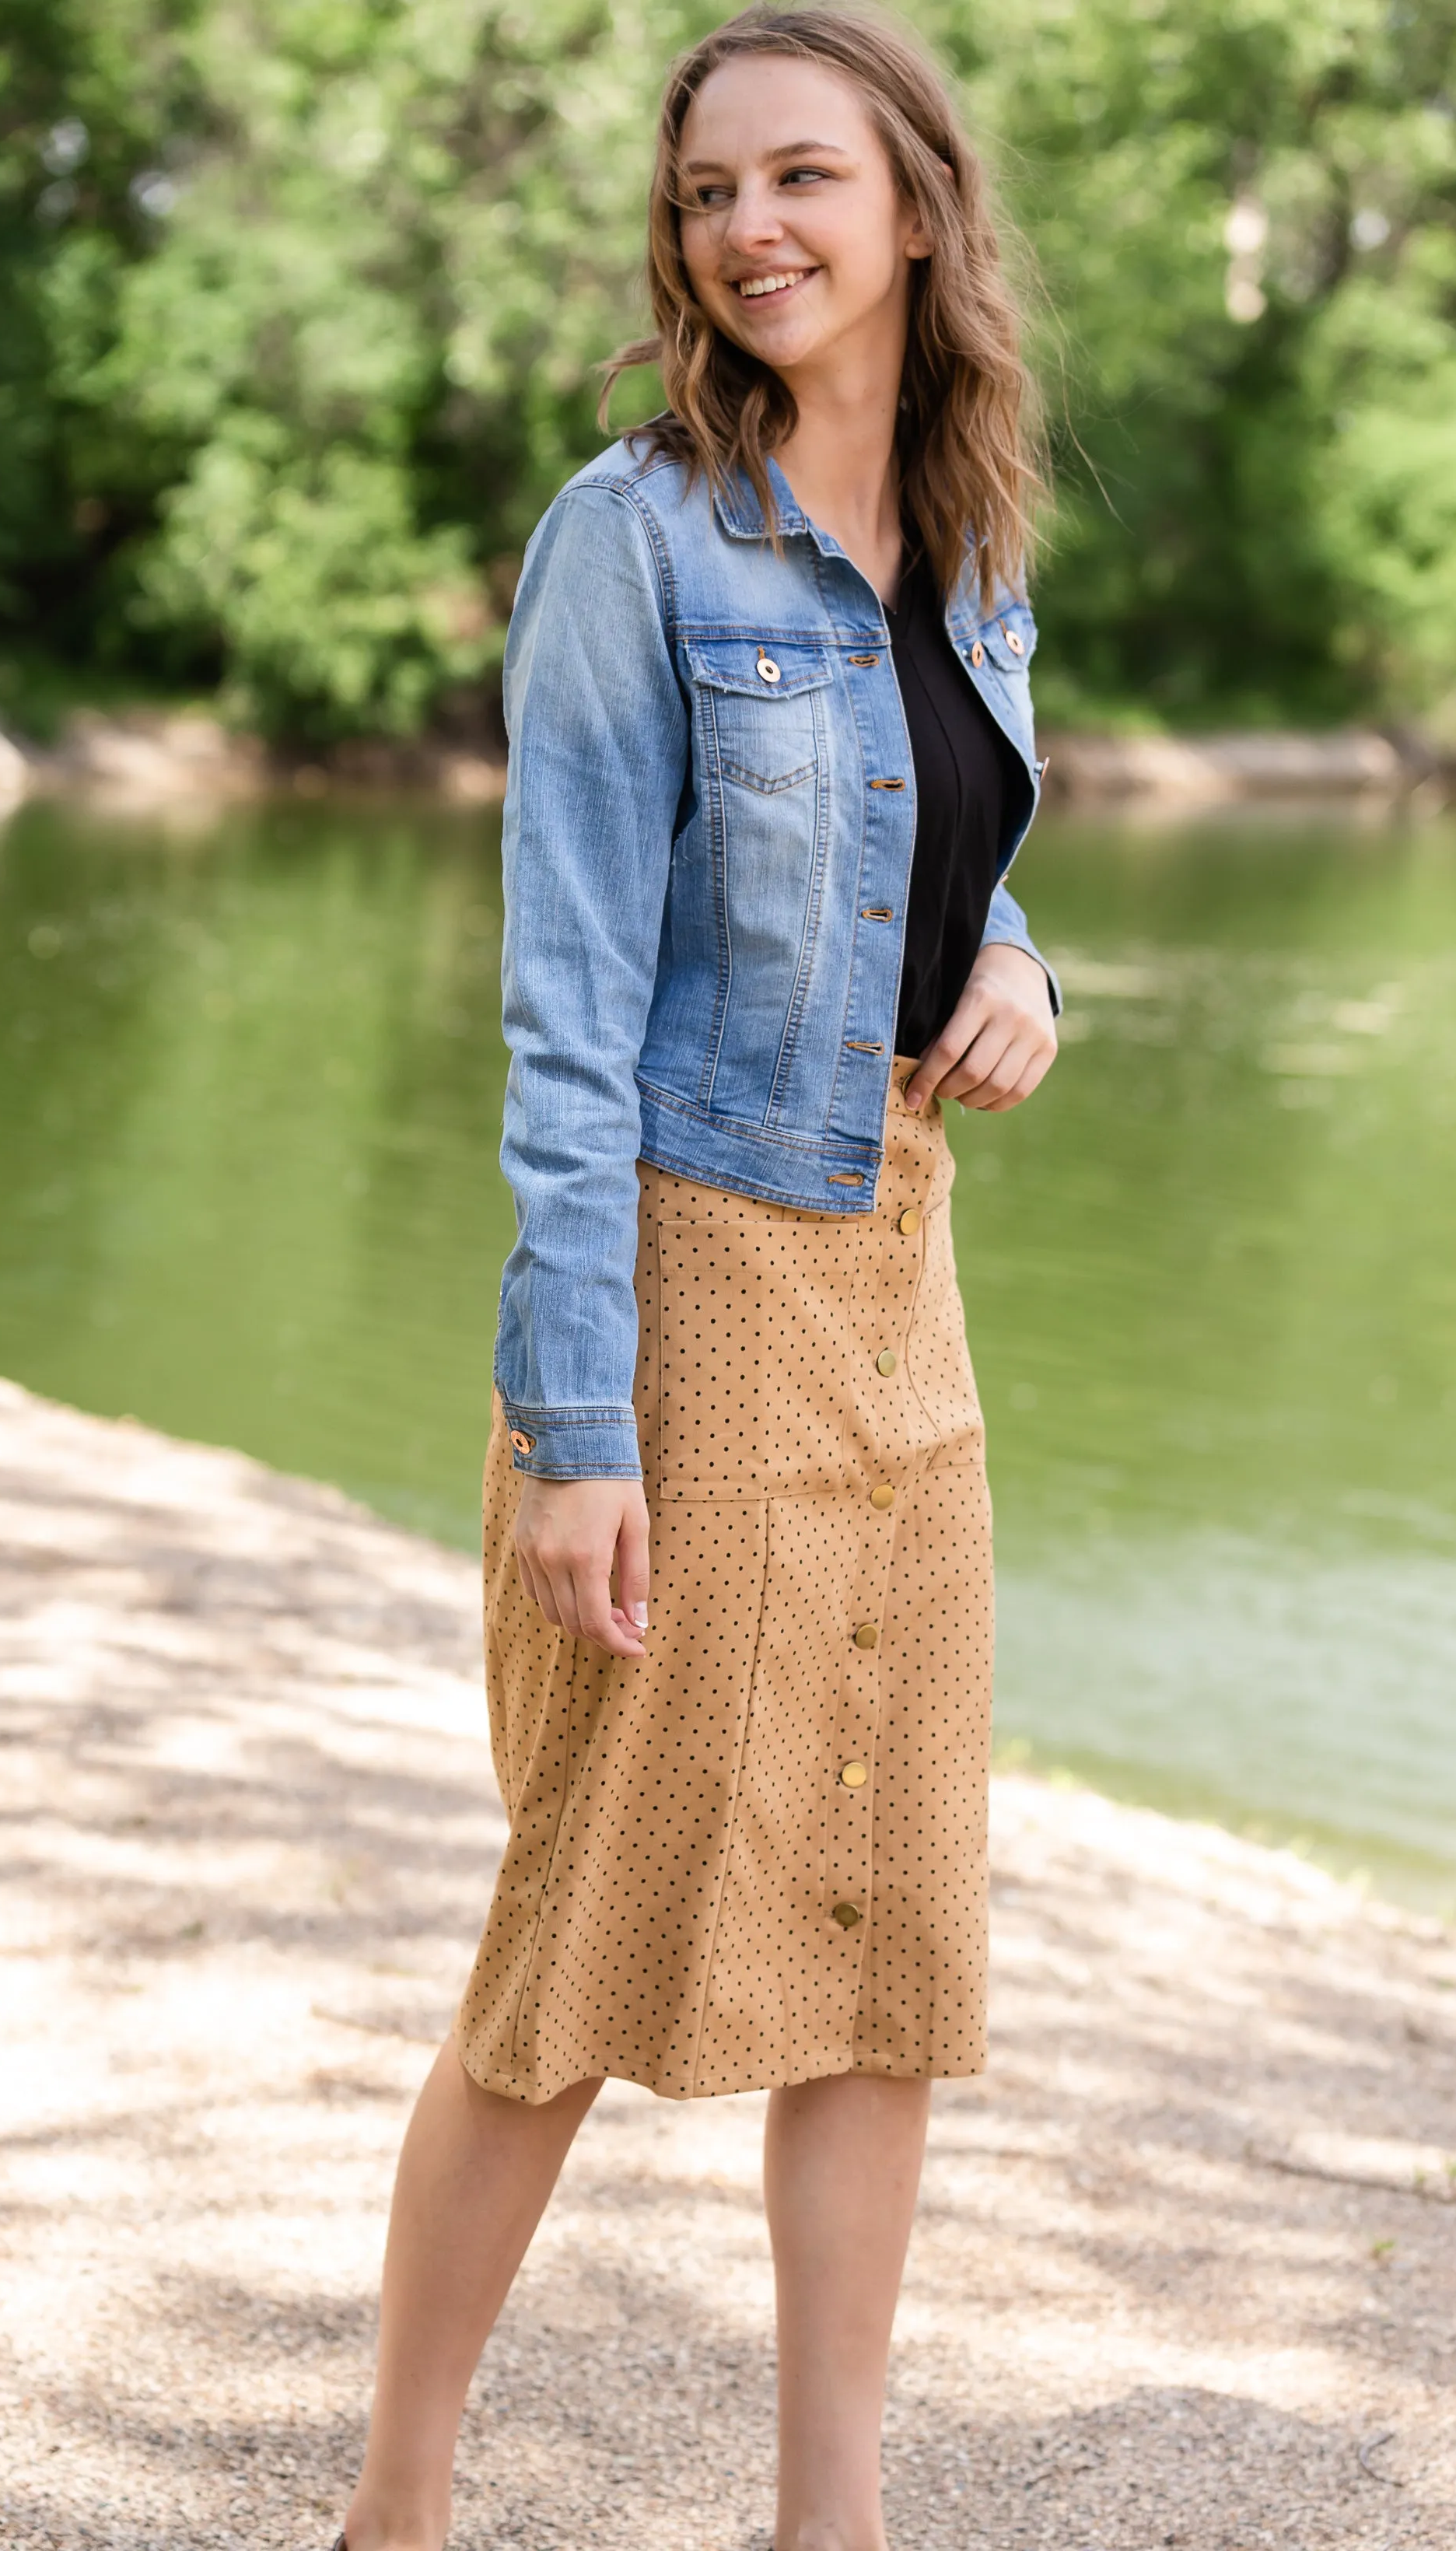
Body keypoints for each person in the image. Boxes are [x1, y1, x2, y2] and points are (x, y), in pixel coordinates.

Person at [340, 9, 1059, 2547]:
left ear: (915, 212)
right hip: (685, 1276)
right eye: (710, 192)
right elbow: (562, 1009)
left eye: (800, 180)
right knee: (585, 1915)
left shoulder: (970, 538)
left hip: (903, 1285)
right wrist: (579, 1429)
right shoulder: (626, 537)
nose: (748, 227)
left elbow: (932, 844)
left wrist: (1023, 968)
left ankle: (824, 2518)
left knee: (884, 1925)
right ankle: (396, 2508)